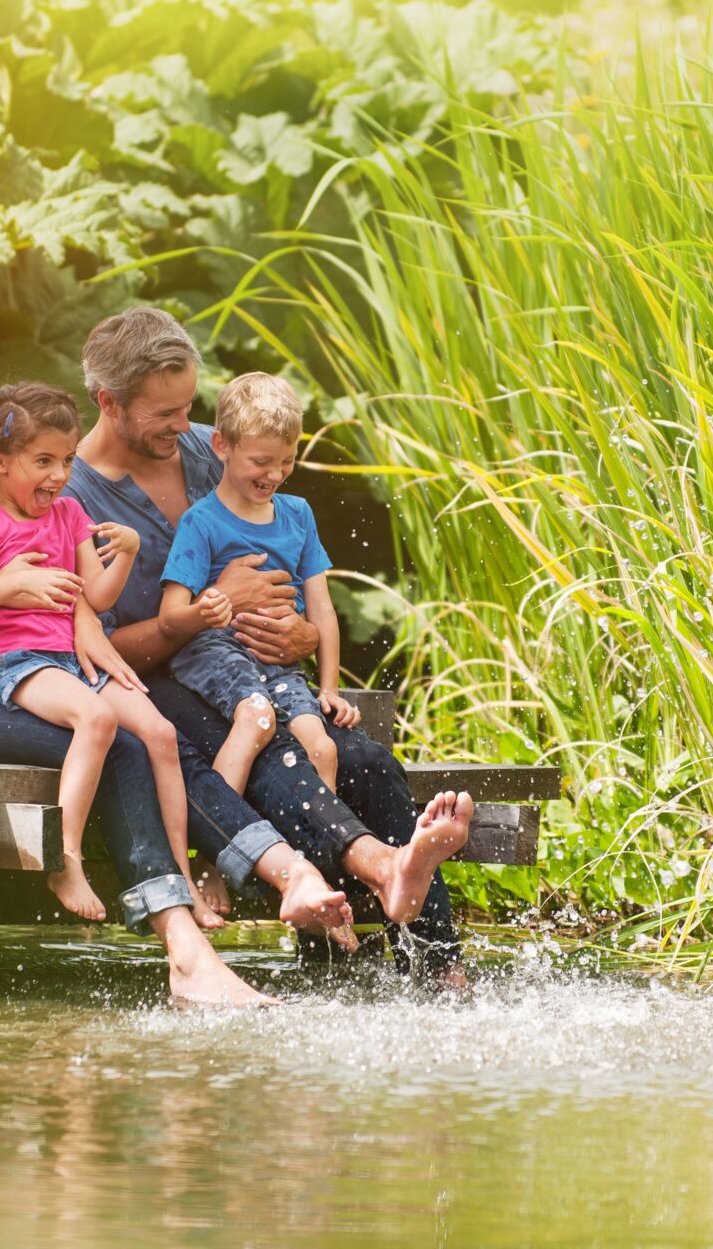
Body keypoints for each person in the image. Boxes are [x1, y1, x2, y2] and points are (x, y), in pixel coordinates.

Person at [0, 312, 348, 1005]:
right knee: (119, 741)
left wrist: (91, 627)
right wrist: (0, 589)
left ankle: (278, 874)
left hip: (50, 654)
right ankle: (187, 955)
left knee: (153, 727)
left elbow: (70, 554)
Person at [62, 307, 473, 973]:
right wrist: (211, 604)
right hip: (160, 687)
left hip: (258, 672)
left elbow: (292, 577)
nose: (182, 426)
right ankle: (375, 878)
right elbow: (95, 648)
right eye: (163, 414)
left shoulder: (215, 446)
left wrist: (303, 634)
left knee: (365, 760)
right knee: (277, 756)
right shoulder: (75, 497)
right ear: (108, 403)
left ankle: (434, 966)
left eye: (188, 406)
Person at [0, 381, 213, 927]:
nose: (59, 475)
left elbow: (98, 597)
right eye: (42, 461)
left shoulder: (69, 514)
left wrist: (128, 552)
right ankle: (65, 858)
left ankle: (183, 874)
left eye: (66, 460)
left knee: (161, 735)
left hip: (76, 659)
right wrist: (14, 583)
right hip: (18, 660)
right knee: (96, 719)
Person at [160, 373, 356, 798]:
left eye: (287, 461)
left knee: (322, 748)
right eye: (261, 461)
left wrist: (330, 688)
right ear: (222, 447)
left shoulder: (298, 515)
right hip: (215, 649)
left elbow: (321, 607)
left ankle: (325, 849)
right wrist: (205, 610)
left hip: (279, 661)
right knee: (257, 718)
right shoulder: (201, 522)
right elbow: (171, 616)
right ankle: (225, 835)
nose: (275, 474)